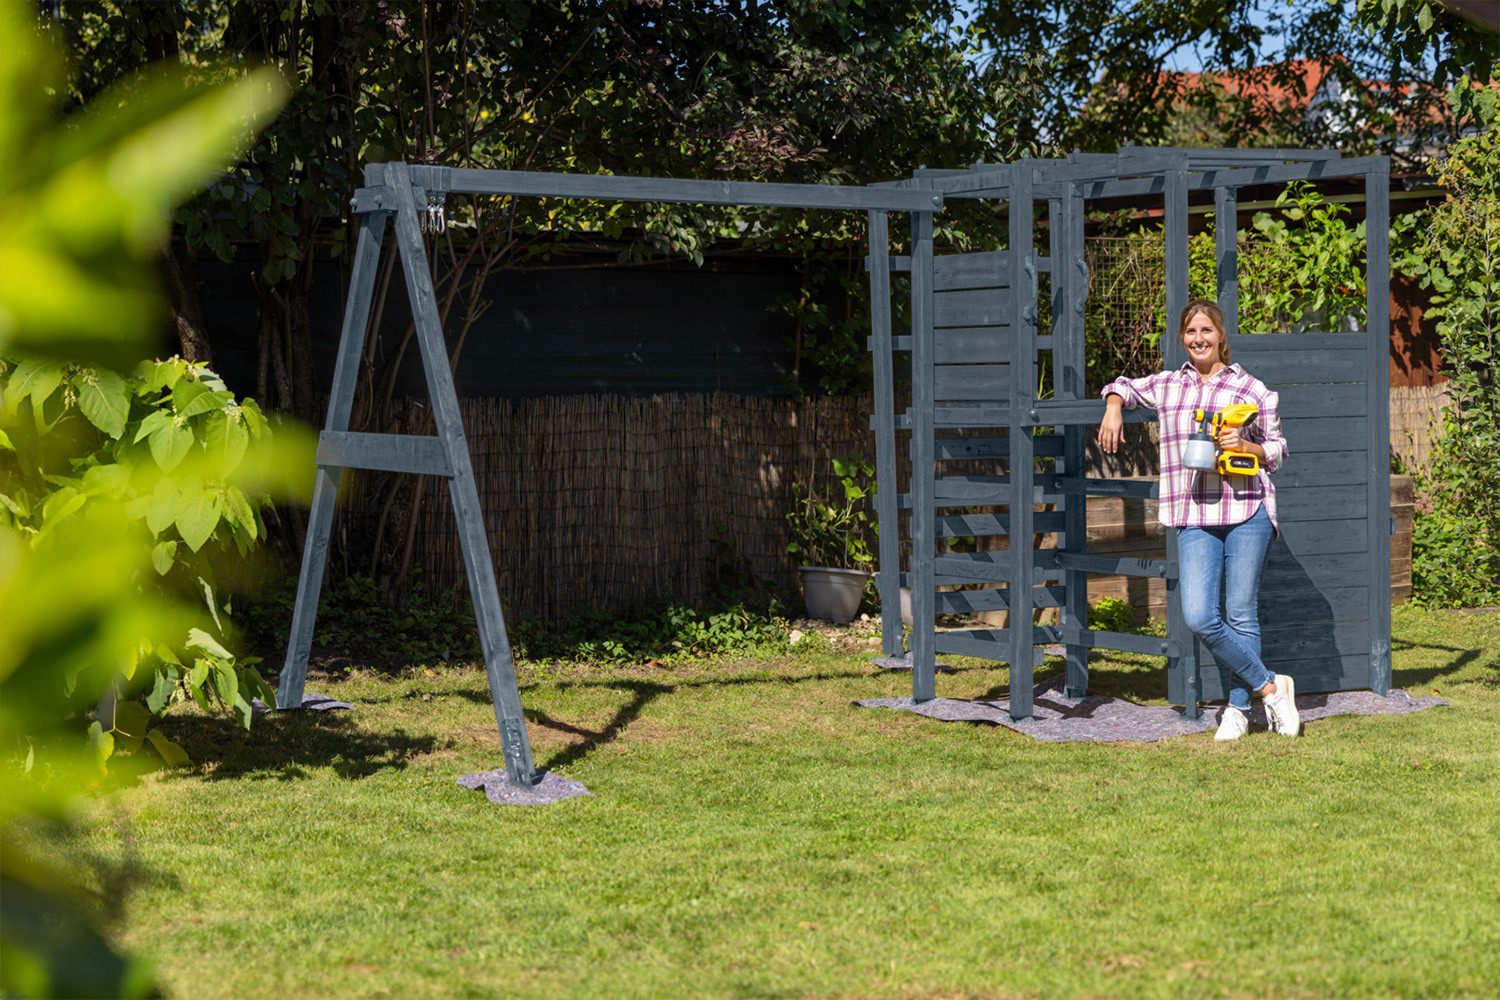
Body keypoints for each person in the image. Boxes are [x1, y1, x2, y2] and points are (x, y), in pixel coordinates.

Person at [1097, 299, 1299, 740]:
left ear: (1221, 336)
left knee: (1241, 613)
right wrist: (1113, 405)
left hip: (1246, 508)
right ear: (1181, 339)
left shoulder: (1252, 389)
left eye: (1207, 330)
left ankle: (1238, 710)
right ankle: (1271, 688)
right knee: (1200, 615)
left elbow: (1279, 449)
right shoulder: (1168, 384)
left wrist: (1248, 447)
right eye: (1191, 332)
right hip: (1193, 512)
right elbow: (1122, 384)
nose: (1199, 338)